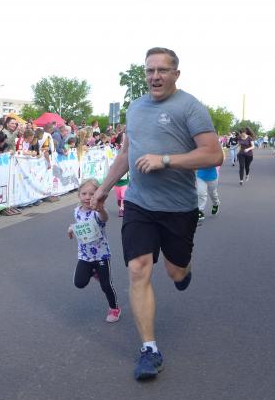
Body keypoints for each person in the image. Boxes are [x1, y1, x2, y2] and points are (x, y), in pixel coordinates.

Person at [92, 47, 223, 381]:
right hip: (139, 204)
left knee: (175, 271)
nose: (155, 76)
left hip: (179, 207)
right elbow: (127, 153)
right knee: (138, 269)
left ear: (176, 74)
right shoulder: (135, 108)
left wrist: (165, 160)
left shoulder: (190, 107)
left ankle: (183, 271)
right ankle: (149, 349)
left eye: (162, 70)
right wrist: (104, 188)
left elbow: (214, 155)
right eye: (150, 70)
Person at [67, 179, 121, 323]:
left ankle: (114, 308)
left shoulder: (98, 212)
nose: (87, 197)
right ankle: (94, 272)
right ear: (79, 195)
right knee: (79, 283)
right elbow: (79, 225)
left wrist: (101, 208)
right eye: (84, 193)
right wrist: (71, 228)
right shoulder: (77, 211)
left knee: (106, 285)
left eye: (92, 194)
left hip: (101, 255)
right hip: (84, 255)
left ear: (97, 195)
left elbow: (105, 218)